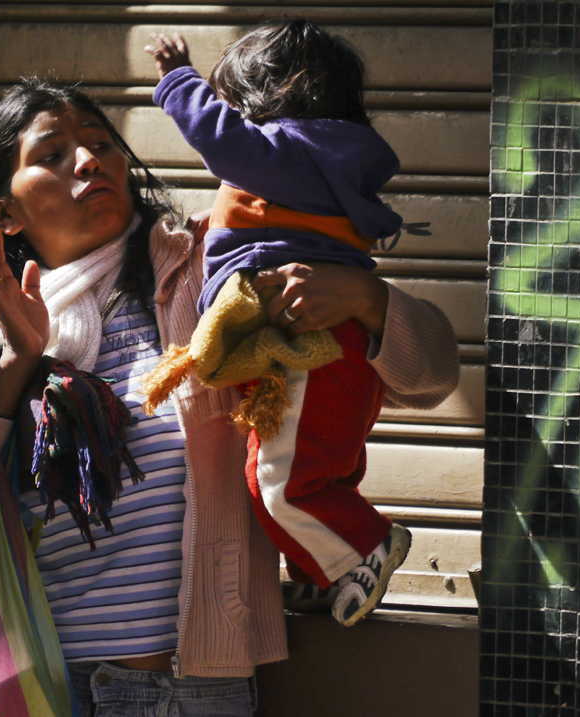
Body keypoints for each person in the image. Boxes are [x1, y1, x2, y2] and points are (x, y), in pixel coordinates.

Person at [0, 78, 459, 716]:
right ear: (4, 212)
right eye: (51, 155)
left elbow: (431, 376)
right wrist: (16, 363)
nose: (88, 160)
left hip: (187, 692)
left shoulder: (214, 284)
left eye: (100, 143)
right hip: (33, 692)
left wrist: (365, 299)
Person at [142, 20, 420, 627]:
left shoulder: (288, 154)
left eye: (235, 102)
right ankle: (327, 573)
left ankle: (366, 545)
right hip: (337, 354)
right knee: (319, 470)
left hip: (309, 346)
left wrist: (178, 82)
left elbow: (225, 141)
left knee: (278, 482)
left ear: (264, 100)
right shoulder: (332, 164)